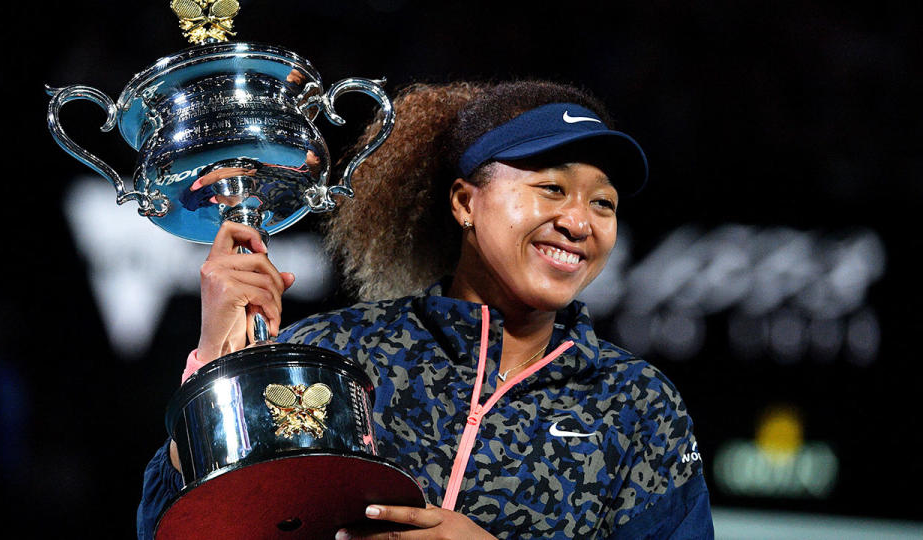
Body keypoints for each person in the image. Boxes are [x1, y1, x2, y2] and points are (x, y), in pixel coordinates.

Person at [137, 80, 713, 539]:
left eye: (603, 202)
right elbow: (179, 528)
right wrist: (218, 363)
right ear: (466, 202)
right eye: (552, 189)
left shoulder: (637, 405)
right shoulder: (336, 357)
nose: (580, 222)